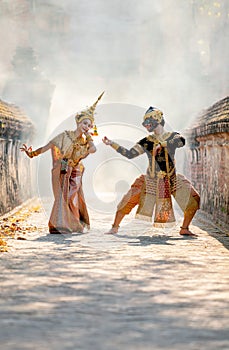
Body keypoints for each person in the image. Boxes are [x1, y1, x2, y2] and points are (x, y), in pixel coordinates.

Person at [102, 106, 200, 236]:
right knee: (127, 201)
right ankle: (115, 227)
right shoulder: (147, 141)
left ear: (157, 120)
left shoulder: (173, 136)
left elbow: (181, 141)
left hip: (171, 178)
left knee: (194, 200)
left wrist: (162, 144)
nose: (146, 125)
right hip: (151, 180)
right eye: (145, 123)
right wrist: (112, 144)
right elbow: (130, 154)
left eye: (149, 122)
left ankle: (185, 228)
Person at [21, 92, 104, 234]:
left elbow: (93, 150)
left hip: (75, 172)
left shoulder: (85, 142)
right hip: (63, 170)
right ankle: (60, 225)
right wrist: (32, 154)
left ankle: (73, 223)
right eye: (84, 123)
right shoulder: (65, 135)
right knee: (62, 197)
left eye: (89, 125)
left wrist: (89, 138)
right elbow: (48, 146)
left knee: (72, 198)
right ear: (78, 122)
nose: (86, 127)